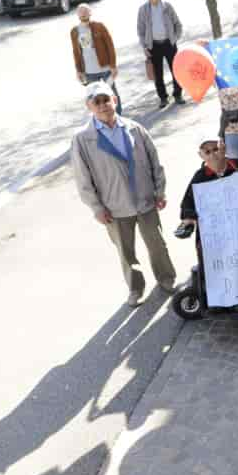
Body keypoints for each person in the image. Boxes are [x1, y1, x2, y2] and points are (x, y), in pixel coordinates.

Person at [71, 82, 177, 307]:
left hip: (146, 200)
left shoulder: (135, 128)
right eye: (96, 102)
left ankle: (167, 279)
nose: (102, 106)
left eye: (106, 100)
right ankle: (135, 289)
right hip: (114, 207)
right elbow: (83, 179)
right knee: (126, 253)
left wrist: (160, 191)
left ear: (115, 101)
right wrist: (97, 208)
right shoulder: (82, 139)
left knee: (157, 244)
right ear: (89, 106)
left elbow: (154, 162)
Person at [137, 0, 185, 109]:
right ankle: (163, 98)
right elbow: (140, 30)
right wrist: (145, 47)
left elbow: (177, 23)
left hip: (169, 43)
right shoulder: (143, 9)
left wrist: (174, 38)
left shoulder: (167, 6)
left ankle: (178, 94)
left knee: (176, 70)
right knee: (158, 74)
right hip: (154, 46)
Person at [71, 4, 121, 113]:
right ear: (78, 15)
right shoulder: (74, 31)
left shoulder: (99, 26)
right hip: (89, 72)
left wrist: (113, 66)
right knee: (95, 98)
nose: (83, 14)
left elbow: (110, 46)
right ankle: (102, 119)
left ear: (90, 13)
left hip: (105, 69)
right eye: (81, 12)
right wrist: (79, 71)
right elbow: (76, 52)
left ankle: (118, 117)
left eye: (85, 11)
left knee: (112, 94)